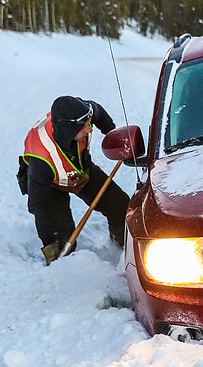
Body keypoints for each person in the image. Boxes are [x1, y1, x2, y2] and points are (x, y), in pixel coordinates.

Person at [18, 96, 130, 265]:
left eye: (89, 123)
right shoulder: (41, 160)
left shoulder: (83, 112)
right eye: (84, 127)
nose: (89, 130)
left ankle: (123, 250)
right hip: (52, 185)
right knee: (63, 239)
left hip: (79, 170)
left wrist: (114, 136)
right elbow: (39, 206)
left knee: (119, 205)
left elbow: (97, 111)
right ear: (68, 131)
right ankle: (64, 268)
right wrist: (50, 244)